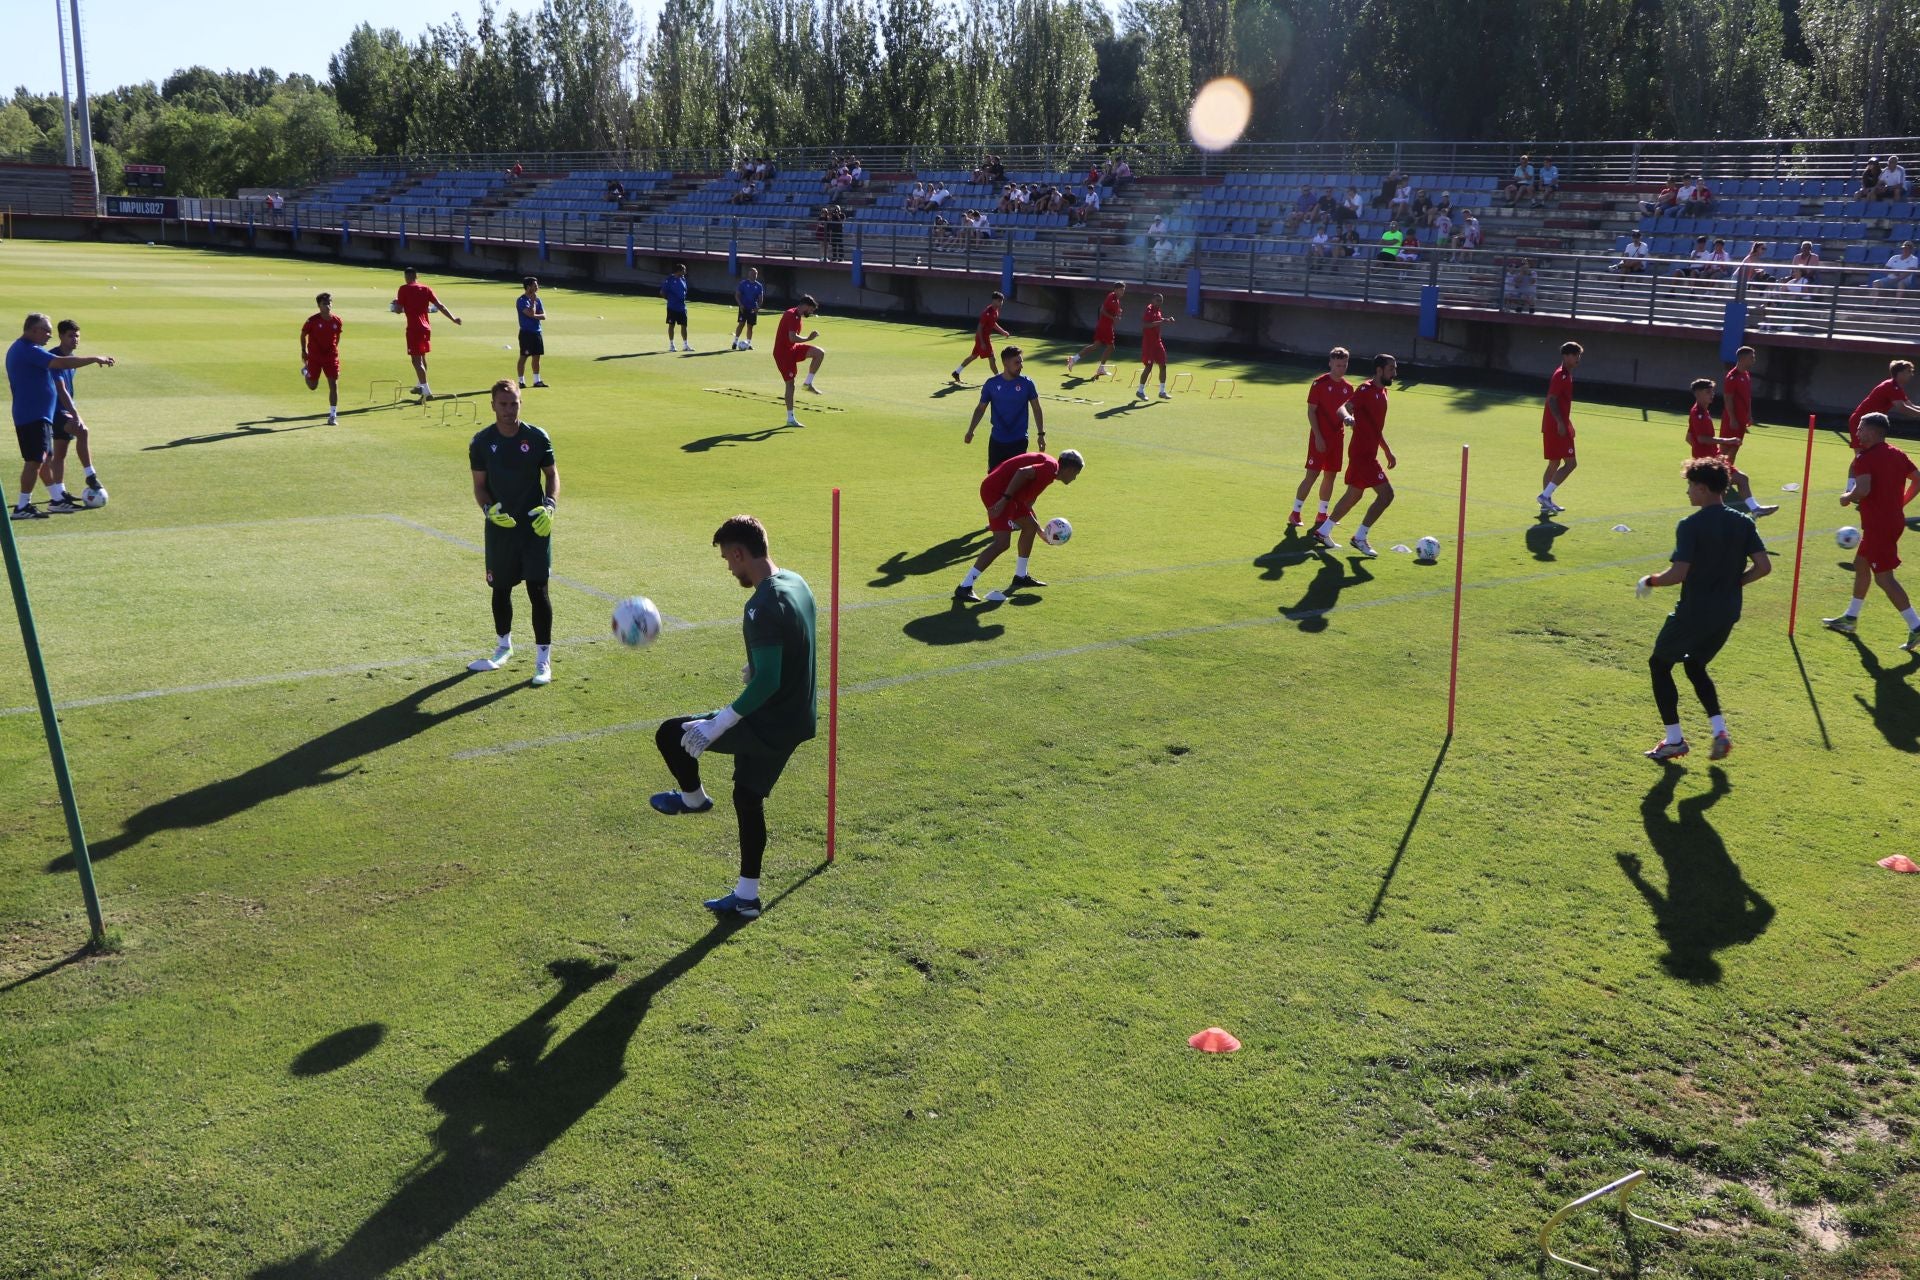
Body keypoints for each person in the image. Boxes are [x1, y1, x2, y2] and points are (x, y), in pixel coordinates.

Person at [649, 515, 818, 920]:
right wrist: (757, 667)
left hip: (769, 721)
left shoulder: (760, 605)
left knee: (672, 734)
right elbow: (796, 638)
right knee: (747, 798)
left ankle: (693, 799)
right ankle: (747, 898)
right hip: (798, 718)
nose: (729, 568)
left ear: (740, 553)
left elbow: (767, 685)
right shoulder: (797, 582)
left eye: (728, 559)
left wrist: (717, 724)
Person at [1636, 457, 1772, 761]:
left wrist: (1649, 581)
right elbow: (1763, 567)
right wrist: (1734, 585)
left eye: (1690, 487)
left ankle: (1675, 740)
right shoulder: (1743, 521)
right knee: (1695, 665)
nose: (1687, 493)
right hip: (1727, 612)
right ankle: (1719, 731)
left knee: (1659, 665)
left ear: (1702, 487)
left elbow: (1677, 574)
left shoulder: (1691, 525)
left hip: (1694, 612)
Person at [466, 379, 559, 686]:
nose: (509, 410)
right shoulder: (481, 442)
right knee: (501, 589)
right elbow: (480, 487)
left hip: (534, 527)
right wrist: (488, 510)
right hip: (500, 530)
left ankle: (543, 661)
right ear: (492, 405)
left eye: (514, 403)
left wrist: (550, 506)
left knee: (538, 590)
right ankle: (503, 647)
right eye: (503, 404)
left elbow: (552, 475)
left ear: (521, 403)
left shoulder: (537, 437)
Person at [1823, 413, 1920, 650]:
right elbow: (1918, 479)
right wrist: (1900, 505)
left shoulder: (1864, 458)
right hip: (1890, 521)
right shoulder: (1897, 453)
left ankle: (1916, 627)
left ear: (1874, 432)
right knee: (1861, 564)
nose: (1857, 432)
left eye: (1861, 428)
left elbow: (1863, 490)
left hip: (1879, 526)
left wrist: (1846, 498)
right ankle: (1851, 618)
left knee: (1884, 578)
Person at [8, 312, 114, 520]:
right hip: (32, 415)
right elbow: (61, 363)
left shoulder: (29, 349)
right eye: (46, 330)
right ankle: (22, 507)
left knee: (45, 459)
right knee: (34, 462)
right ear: (33, 330)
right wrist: (94, 358)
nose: (49, 335)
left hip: (39, 415)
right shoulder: (28, 350)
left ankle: (57, 499)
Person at [954, 448, 1085, 602]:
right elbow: (1022, 472)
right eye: (1076, 474)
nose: (1075, 478)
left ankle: (1021, 576)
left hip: (1009, 495)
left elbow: (1027, 504)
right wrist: (1004, 500)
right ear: (1069, 469)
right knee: (1002, 543)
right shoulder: (1049, 469)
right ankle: (965, 586)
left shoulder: (1050, 471)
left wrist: (1041, 531)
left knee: (1029, 527)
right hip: (996, 492)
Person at [1312, 353, 1397, 557]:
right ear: (1379, 370)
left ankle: (1323, 531)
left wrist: (1387, 450)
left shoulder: (1383, 392)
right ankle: (1360, 537)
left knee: (1354, 493)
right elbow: (1342, 408)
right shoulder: (1366, 390)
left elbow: (1376, 429)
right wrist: (1348, 417)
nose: (1395, 372)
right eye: (1391, 369)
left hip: (1369, 452)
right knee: (1386, 495)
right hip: (1362, 455)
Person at [40, 319, 106, 509]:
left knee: (60, 453)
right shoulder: (55, 358)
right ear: (60, 336)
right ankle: (90, 475)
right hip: (55, 410)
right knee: (83, 431)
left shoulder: (71, 359)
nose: (74, 339)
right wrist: (75, 414)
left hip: (61, 410)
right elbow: (61, 389)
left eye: (76, 336)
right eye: (70, 336)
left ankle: (60, 495)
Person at [1685, 376, 1775, 515]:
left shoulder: (1702, 412)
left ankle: (1750, 510)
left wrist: (1702, 453)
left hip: (1713, 459)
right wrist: (1727, 441)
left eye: (1712, 391)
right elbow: (1702, 438)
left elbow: (1689, 437)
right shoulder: (1698, 413)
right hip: (1709, 462)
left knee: (1730, 484)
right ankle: (1752, 510)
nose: (1712, 394)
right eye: (1708, 392)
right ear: (1698, 393)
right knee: (1735, 481)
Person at [1291, 347, 1354, 531]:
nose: (1341, 368)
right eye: (1337, 365)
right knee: (1312, 474)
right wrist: (1318, 436)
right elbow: (1311, 411)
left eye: (1344, 365)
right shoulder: (1319, 383)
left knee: (1331, 475)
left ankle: (1322, 513)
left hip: (1337, 438)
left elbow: (1348, 411)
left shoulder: (1348, 388)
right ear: (1330, 363)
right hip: (1319, 437)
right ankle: (1295, 512)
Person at [1717, 346, 1777, 517]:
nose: (1754, 360)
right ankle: (1717, 478)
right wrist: (1733, 418)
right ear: (1742, 358)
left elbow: (1747, 398)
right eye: (1752, 357)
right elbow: (1728, 398)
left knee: (1735, 449)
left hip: (1742, 420)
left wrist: (1749, 415)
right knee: (1724, 450)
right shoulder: (1732, 376)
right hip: (1732, 421)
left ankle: (1726, 477)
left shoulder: (1746, 375)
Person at [964, 346, 1044, 472]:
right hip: (997, 440)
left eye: (1021, 362)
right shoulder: (991, 384)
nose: (1021, 366)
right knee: (994, 477)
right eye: (1017, 363)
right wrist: (971, 430)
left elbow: (1037, 409)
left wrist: (1041, 434)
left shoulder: (1027, 384)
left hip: (1019, 441)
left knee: (1015, 478)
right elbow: (980, 408)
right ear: (1005, 363)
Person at [396, 267, 462, 400]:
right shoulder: (426, 289)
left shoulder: (403, 289)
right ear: (417, 276)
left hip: (414, 328)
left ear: (406, 276)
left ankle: (426, 391)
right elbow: (440, 305)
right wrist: (453, 319)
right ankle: (420, 385)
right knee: (422, 358)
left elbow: (398, 310)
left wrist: (395, 304)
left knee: (416, 361)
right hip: (426, 328)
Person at [1539, 341, 1581, 514]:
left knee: (1554, 463)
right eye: (1575, 355)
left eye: (1579, 355)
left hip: (1553, 425)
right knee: (1571, 464)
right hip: (1556, 427)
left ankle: (1545, 502)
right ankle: (1545, 496)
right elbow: (1552, 399)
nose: (1578, 359)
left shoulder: (1565, 375)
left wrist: (1567, 422)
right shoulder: (1561, 375)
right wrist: (1560, 422)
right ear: (1566, 356)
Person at [774, 295, 825, 428]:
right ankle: (790, 418)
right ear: (806, 306)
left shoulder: (797, 315)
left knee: (819, 353)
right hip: (783, 354)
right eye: (812, 310)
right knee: (790, 385)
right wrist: (808, 338)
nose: (812, 313)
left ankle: (808, 383)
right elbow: (792, 338)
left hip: (792, 349)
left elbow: (792, 340)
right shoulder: (791, 315)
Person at [1848, 360, 1920, 451]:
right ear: (1899, 373)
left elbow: (1911, 405)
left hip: (1871, 424)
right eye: (1908, 371)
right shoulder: (1890, 386)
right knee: (1862, 457)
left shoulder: (1896, 388)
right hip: (1861, 423)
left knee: (1872, 455)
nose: (1911, 374)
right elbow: (1903, 408)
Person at [300, 293, 344, 425]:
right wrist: (304, 351)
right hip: (314, 357)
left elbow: (337, 337)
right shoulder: (312, 321)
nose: (328, 305)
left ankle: (332, 415)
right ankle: (306, 372)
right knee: (313, 386)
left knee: (334, 384)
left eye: (330, 302)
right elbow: (303, 335)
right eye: (325, 303)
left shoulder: (337, 321)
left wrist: (334, 350)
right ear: (319, 305)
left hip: (331, 357)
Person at [1066, 281, 1125, 378]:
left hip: (1104, 325)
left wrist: (1117, 313)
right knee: (1111, 347)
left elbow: (1108, 310)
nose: (1123, 292)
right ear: (1115, 290)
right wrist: (1113, 317)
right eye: (1121, 290)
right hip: (1105, 326)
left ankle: (1074, 359)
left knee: (1095, 346)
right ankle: (1101, 368)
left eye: (1124, 290)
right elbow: (1102, 310)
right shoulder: (1111, 297)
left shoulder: (1115, 299)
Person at [952, 291, 1009, 383]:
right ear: (994, 300)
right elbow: (979, 327)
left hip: (985, 338)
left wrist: (1003, 332)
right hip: (982, 338)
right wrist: (982, 342)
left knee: (973, 356)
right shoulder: (987, 313)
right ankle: (998, 379)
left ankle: (956, 372)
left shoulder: (996, 311)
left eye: (1002, 301)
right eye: (999, 301)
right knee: (992, 358)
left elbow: (993, 323)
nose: (1001, 303)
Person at [1134, 293, 1174, 401]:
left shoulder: (1158, 310)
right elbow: (1146, 324)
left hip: (1157, 342)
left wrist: (1166, 319)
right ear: (1152, 300)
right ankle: (1140, 391)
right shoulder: (1149, 310)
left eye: (1161, 300)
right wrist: (1162, 321)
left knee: (1163, 365)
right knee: (1149, 367)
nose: (1159, 302)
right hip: (1149, 343)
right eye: (1157, 300)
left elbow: (1158, 320)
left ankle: (1162, 391)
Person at [516, 276, 548, 389]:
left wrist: (535, 314)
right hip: (526, 333)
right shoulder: (521, 300)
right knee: (524, 356)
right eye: (535, 285)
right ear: (528, 287)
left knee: (536, 357)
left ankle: (537, 380)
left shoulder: (538, 300)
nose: (537, 287)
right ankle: (521, 381)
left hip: (537, 332)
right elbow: (530, 313)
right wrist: (533, 303)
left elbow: (544, 316)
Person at [732, 267, 765, 351]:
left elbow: (761, 299)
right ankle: (735, 342)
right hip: (743, 307)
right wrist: (740, 305)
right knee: (741, 324)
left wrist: (758, 307)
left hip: (753, 309)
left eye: (755, 274)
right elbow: (737, 295)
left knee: (750, 327)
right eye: (752, 273)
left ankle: (748, 343)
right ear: (749, 274)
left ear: (757, 275)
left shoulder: (759, 286)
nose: (754, 275)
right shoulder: (743, 283)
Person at [663, 263, 692, 352]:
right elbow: (662, 292)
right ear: (679, 271)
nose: (685, 271)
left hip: (682, 308)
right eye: (684, 270)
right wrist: (670, 300)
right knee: (671, 325)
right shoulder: (670, 279)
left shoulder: (683, 279)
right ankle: (672, 345)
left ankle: (685, 345)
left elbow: (684, 291)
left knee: (684, 326)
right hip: (672, 307)